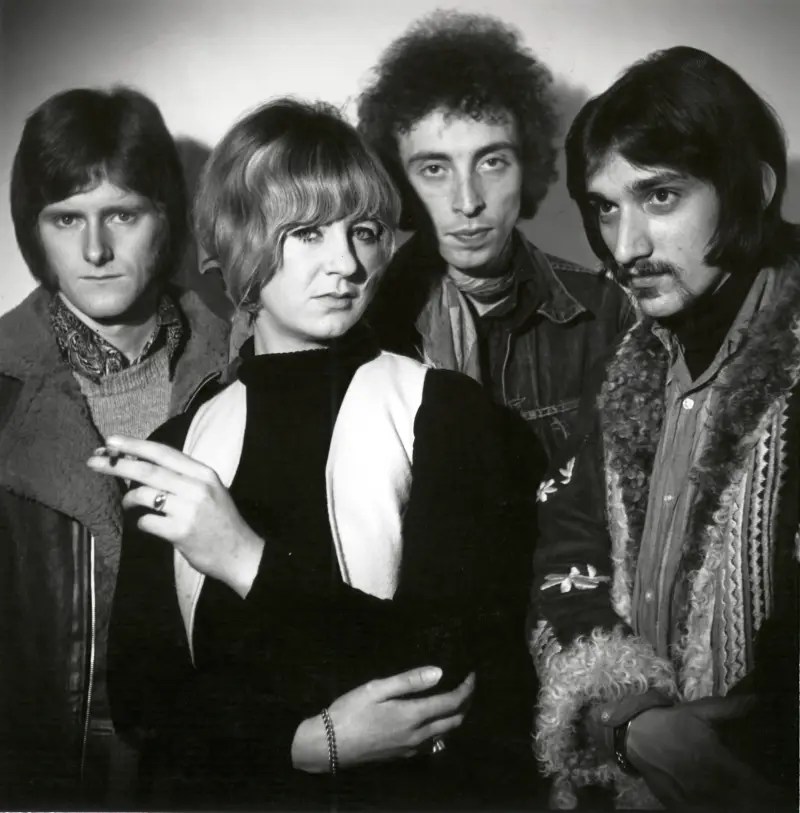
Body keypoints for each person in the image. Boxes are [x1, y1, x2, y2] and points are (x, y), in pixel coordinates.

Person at [90, 99, 536, 810]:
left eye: (364, 232)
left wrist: (243, 557)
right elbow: (146, 705)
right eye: (306, 232)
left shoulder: (448, 412)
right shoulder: (179, 444)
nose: (347, 263)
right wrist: (303, 745)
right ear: (237, 241)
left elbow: (443, 671)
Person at [529, 46, 800, 810]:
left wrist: (722, 751)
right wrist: (630, 718)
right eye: (606, 207)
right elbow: (569, 547)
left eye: (660, 196)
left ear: (752, 187)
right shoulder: (630, 360)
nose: (626, 248)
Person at [0, 87, 229, 808]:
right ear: (34, 230)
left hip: (216, 774)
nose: (95, 250)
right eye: (67, 218)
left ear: (167, 216)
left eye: (122, 215)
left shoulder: (245, 368)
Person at [358, 10, 633, 465]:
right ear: (398, 181)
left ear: (527, 167)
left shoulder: (603, 313)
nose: (468, 202)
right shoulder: (364, 317)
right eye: (434, 169)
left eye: (492, 162)